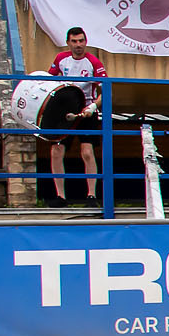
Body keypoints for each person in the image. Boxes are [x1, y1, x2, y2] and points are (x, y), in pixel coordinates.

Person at [40, 26, 106, 203]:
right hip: (64, 111)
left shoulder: (94, 62)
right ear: (68, 43)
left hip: (86, 110)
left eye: (81, 41)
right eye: (74, 41)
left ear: (86, 42)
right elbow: (48, 81)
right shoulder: (61, 59)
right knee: (56, 150)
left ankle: (91, 195)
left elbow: (106, 90)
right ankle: (60, 196)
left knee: (87, 151)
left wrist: (92, 107)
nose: (78, 45)